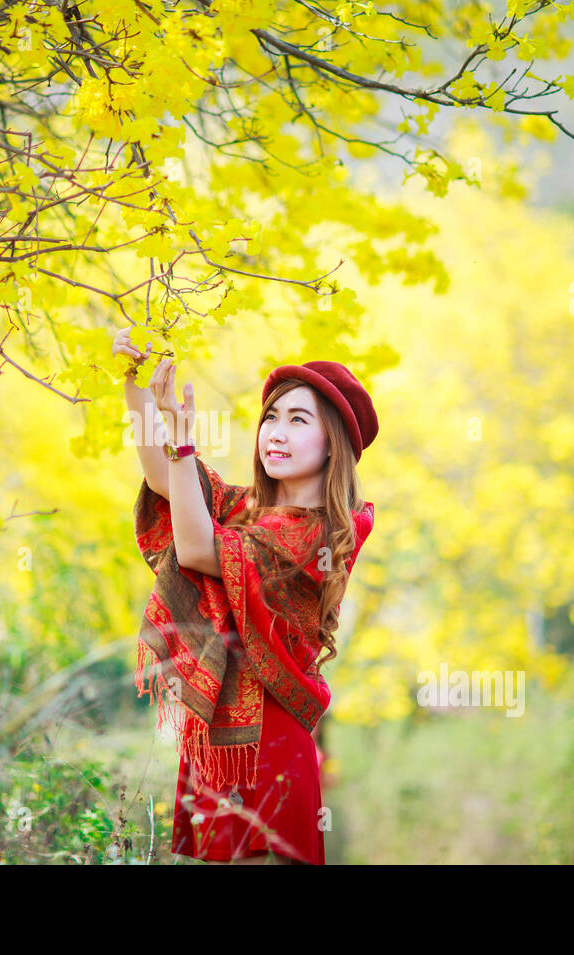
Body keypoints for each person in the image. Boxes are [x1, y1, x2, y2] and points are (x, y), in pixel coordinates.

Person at [115, 325, 378, 865]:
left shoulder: (317, 533)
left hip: (274, 742)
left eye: (298, 420)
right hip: (220, 738)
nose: (275, 432)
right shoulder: (247, 512)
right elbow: (167, 479)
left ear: (334, 446)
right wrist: (136, 387)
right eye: (271, 418)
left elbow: (194, 547)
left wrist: (184, 440)